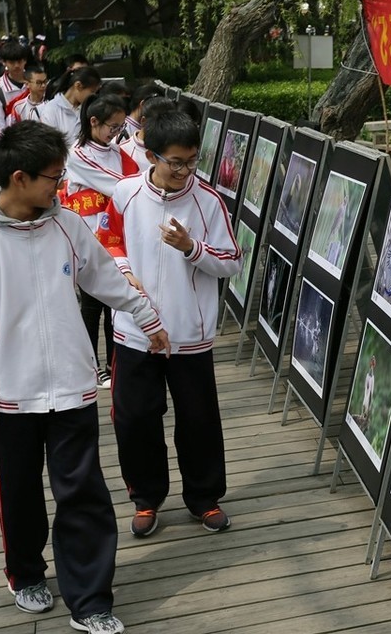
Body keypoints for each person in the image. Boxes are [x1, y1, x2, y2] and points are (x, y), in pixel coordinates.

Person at [0, 120, 169, 634]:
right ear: (19, 177)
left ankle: (91, 599)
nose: (63, 187)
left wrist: (147, 317)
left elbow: (104, 276)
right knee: (18, 492)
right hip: (7, 397)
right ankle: (26, 573)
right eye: (54, 178)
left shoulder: (67, 227)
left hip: (73, 389)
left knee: (83, 493)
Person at [104, 110, 241, 538]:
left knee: (198, 419)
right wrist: (125, 273)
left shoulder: (208, 201)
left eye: (192, 161)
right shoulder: (124, 194)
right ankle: (146, 499)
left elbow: (232, 262)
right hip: (133, 331)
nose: (185, 171)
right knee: (135, 419)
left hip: (189, 334)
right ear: (150, 156)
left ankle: (204, 498)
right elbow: (108, 244)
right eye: (175, 162)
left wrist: (192, 247)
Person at [63, 94, 139, 387]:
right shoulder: (78, 153)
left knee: (115, 304)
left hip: (117, 236)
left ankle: (113, 364)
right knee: (92, 305)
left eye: (121, 126)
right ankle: (91, 365)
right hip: (89, 237)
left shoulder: (118, 151)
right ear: (93, 122)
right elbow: (119, 184)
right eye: (112, 126)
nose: (117, 132)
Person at [42, 66, 102, 144]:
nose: (93, 96)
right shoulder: (51, 109)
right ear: (78, 86)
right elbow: (49, 144)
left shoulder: (89, 109)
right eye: (92, 91)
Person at [120, 95, 173, 171]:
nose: (164, 129)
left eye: (168, 124)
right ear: (143, 121)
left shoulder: (172, 150)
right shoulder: (123, 150)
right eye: (158, 124)